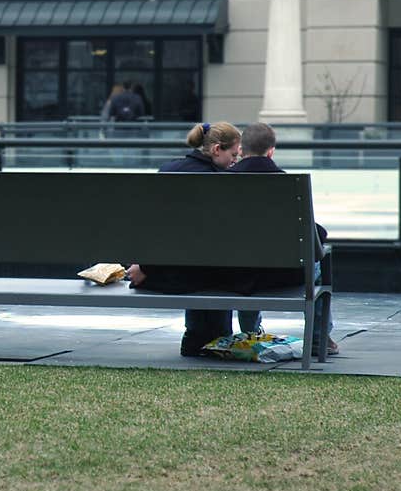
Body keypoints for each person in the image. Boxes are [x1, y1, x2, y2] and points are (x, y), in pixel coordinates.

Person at [125, 121, 243, 356]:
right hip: (205, 273)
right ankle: (216, 335)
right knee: (218, 266)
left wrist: (145, 266)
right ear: (216, 149)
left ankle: (196, 335)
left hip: (167, 273)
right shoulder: (225, 182)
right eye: (233, 154)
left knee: (200, 262)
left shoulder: (168, 171)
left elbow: (156, 228)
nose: (235, 161)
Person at [230, 122, 338, 355]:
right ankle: (320, 337)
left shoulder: (222, 182)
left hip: (235, 274)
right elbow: (313, 233)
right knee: (318, 261)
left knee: (248, 261)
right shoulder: (288, 185)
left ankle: (250, 332)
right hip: (284, 274)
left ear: (240, 150)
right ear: (271, 152)